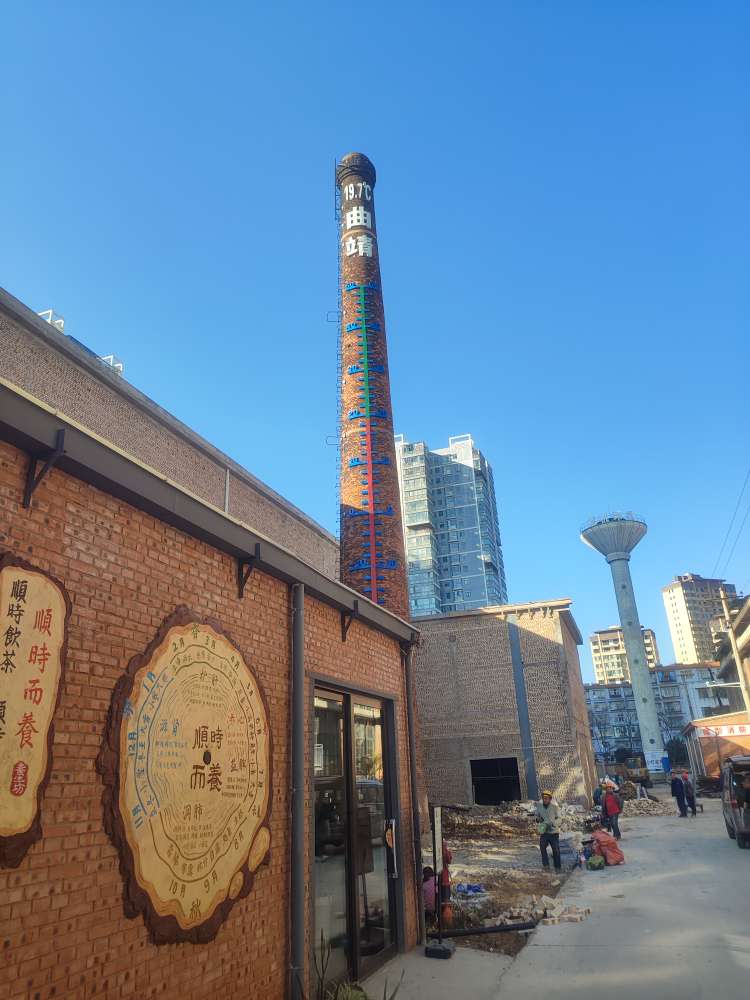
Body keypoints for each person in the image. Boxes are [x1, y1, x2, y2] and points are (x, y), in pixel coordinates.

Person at [536, 790, 561, 871]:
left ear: (550, 799)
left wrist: (554, 823)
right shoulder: (539, 807)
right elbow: (537, 816)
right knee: (542, 847)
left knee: (556, 850)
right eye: (543, 798)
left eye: (546, 798)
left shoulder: (555, 807)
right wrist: (538, 819)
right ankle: (546, 865)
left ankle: (557, 867)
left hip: (554, 832)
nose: (545, 800)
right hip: (545, 832)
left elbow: (560, 818)